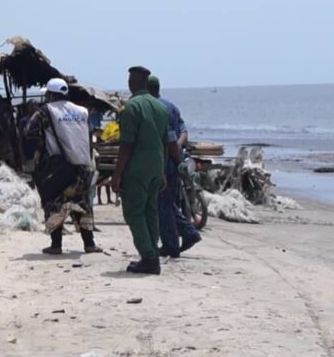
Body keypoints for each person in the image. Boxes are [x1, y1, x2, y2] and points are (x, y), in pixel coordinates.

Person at [25, 78, 102, 255]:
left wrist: (40, 151)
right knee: (82, 204)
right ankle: (89, 244)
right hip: (83, 166)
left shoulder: (46, 111)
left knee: (54, 204)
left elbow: (29, 131)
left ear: (51, 94)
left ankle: (56, 245)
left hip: (58, 166)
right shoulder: (82, 111)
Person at [111, 66, 170, 275]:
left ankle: (149, 257)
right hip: (155, 167)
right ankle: (152, 252)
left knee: (134, 213)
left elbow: (126, 145)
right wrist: (162, 170)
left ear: (133, 82)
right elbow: (165, 143)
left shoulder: (130, 108)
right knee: (150, 211)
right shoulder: (160, 107)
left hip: (136, 169)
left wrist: (117, 175)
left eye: (130, 79)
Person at [147, 75, 202, 258]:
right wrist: (178, 147)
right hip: (175, 161)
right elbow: (183, 130)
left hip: (164, 162)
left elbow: (168, 138)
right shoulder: (171, 106)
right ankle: (183, 236)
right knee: (167, 203)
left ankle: (177, 240)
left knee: (163, 205)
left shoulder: (153, 107)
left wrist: (173, 150)